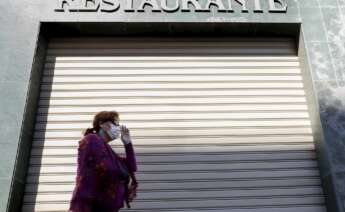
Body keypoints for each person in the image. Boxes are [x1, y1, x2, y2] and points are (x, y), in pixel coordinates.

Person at [69, 110, 138, 212]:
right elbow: (107, 169)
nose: (118, 128)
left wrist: (128, 144)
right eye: (115, 124)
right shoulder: (91, 139)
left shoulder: (109, 152)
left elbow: (132, 167)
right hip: (92, 205)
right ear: (102, 124)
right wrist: (122, 174)